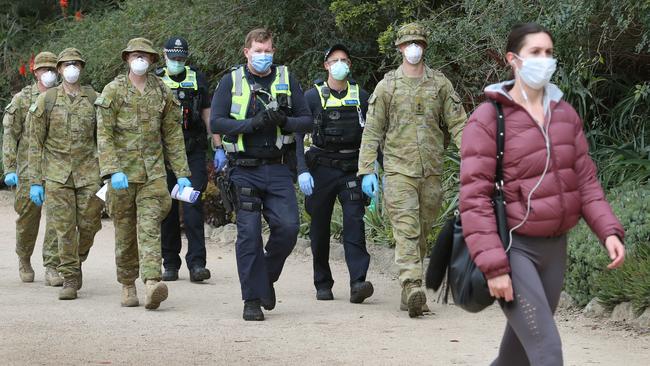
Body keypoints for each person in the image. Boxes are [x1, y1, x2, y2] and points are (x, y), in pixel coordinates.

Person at [460, 23, 625, 365]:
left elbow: (585, 181)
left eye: (549, 53)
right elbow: (474, 199)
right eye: (535, 53)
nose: (544, 60)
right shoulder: (489, 118)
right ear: (513, 59)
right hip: (514, 247)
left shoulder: (564, 114)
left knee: (515, 356)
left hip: (555, 248)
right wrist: (494, 267)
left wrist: (608, 230)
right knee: (547, 352)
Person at [358, 22, 467, 318]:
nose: (413, 48)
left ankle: (409, 292)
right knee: (406, 229)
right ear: (400, 48)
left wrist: (472, 154)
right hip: (398, 171)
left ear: (424, 46)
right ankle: (413, 284)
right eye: (408, 44)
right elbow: (372, 131)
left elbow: (458, 123)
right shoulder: (387, 86)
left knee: (422, 230)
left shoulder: (440, 84)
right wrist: (367, 168)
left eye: (418, 42)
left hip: (431, 170)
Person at [211, 28, 312, 321]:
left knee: (289, 229)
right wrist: (251, 124)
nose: (263, 56)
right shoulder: (231, 81)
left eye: (268, 50)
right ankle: (252, 299)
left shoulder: (286, 78)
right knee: (249, 236)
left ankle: (265, 277)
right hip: (243, 169)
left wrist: (285, 119)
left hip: (278, 167)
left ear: (274, 51)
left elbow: (306, 120)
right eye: (258, 50)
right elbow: (216, 121)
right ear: (246, 52)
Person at [96, 37, 192, 310]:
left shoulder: (161, 91)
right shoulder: (113, 91)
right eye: (135, 55)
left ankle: (152, 282)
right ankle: (128, 284)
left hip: (153, 174)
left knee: (150, 227)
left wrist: (182, 172)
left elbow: (172, 134)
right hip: (122, 176)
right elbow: (103, 134)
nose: (140, 60)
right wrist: (112, 170)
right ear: (127, 58)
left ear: (152, 61)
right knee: (125, 232)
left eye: (145, 56)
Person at [296, 44, 373, 303]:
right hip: (320, 168)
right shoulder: (311, 97)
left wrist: (373, 171)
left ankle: (358, 282)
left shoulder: (361, 95)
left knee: (355, 224)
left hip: (351, 168)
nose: (340, 64)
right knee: (319, 228)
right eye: (334, 60)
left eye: (345, 60)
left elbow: (373, 134)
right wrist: (302, 170)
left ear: (350, 65)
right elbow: (297, 137)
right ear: (326, 66)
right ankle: (322, 282)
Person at [27, 48, 103, 300]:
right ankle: (70, 276)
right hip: (57, 175)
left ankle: (76, 261)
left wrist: (108, 172)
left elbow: (104, 139)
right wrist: (35, 181)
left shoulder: (94, 99)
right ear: (59, 69)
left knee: (90, 225)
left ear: (81, 68)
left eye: (76, 64)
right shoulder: (47, 100)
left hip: (88, 174)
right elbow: (35, 144)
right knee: (64, 228)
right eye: (67, 64)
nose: (72, 68)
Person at [155, 36, 216, 283]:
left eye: (182, 58)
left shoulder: (197, 78)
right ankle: (170, 263)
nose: (178, 61)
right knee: (167, 209)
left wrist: (217, 144)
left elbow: (206, 113)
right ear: (164, 55)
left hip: (192, 151)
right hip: (164, 154)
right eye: (174, 57)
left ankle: (197, 264)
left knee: (192, 205)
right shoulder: (156, 79)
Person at [2, 51, 62, 285]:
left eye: (52, 69)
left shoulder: (62, 96)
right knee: (28, 218)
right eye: (43, 69)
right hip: (29, 168)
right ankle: (24, 257)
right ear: (35, 72)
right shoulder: (22, 99)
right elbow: (10, 135)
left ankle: (52, 266)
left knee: (58, 218)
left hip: (57, 166)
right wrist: (10, 168)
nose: (48, 73)